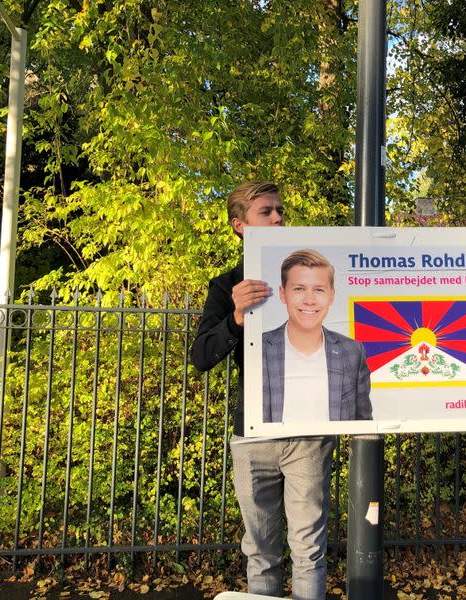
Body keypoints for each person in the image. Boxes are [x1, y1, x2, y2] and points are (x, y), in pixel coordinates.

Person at [190, 181, 334, 600]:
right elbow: (201, 357)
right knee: (261, 551)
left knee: (308, 550)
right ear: (240, 225)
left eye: (280, 211)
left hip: (309, 431)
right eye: (266, 211)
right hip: (252, 434)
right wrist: (235, 316)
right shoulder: (227, 284)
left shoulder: (313, 273)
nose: (277, 218)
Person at [262, 249, 372, 423]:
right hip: (271, 449)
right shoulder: (259, 348)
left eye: (319, 290)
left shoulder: (352, 351)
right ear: (283, 294)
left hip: (328, 449)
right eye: (299, 289)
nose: (309, 300)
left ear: (332, 296)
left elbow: (364, 424)